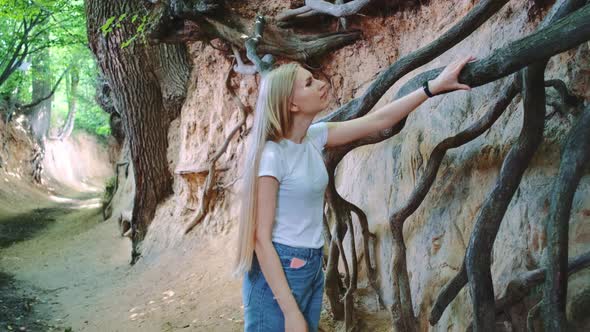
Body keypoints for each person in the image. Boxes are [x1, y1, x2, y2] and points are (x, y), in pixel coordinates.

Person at [232, 55, 476, 332]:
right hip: (278, 269)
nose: (321, 84)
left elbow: (379, 120)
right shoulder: (272, 155)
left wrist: (433, 87)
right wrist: (289, 311)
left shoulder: (314, 137)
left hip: (310, 265)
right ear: (292, 104)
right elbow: (260, 239)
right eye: (309, 83)